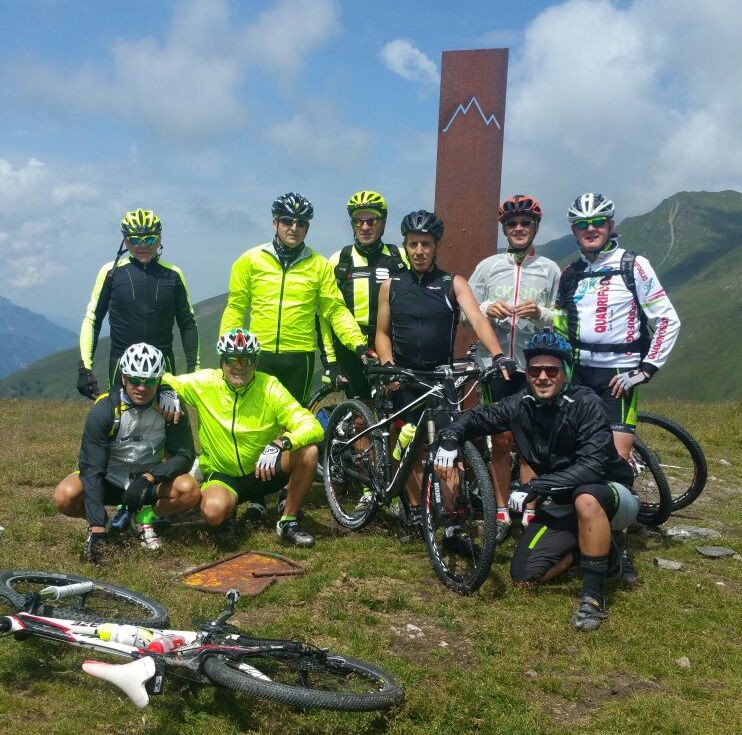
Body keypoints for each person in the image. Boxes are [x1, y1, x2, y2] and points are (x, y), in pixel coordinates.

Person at [435, 331, 640, 631]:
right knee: (525, 574)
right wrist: (451, 439)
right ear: (528, 373)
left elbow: (593, 467)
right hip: (561, 502)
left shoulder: (586, 403)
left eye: (551, 370)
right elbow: (479, 418)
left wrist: (534, 487)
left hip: (609, 495)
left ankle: (593, 598)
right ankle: (598, 549)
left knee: (586, 496)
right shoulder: (521, 404)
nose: (543, 377)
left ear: (565, 372)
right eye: (535, 370)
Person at [375, 209, 515, 533]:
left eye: (425, 243)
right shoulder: (391, 286)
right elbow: (381, 333)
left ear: (436, 245)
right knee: (406, 445)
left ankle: (453, 520)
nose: (419, 251)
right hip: (405, 377)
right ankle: (412, 509)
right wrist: (388, 367)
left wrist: (497, 356)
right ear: (405, 247)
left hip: (441, 378)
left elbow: (478, 319)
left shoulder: (453, 284)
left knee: (449, 450)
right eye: (413, 244)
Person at [161, 328, 323, 547]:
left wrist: (282, 442)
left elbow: (311, 424)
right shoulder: (205, 383)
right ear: (221, 362)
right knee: (212, 512)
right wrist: (166, 390)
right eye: (231, 359)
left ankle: (288, 521)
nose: (238, 366)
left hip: (263, 470)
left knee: (309, 452)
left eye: (245, 360)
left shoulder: (270, 387)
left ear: (255, 363)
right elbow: (166, 378)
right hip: (224, 475)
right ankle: (228, 511)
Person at [554, 193, 680, 463]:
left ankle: (621, 502)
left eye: (598, 221)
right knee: (574, 449)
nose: (590, 228)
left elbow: (667, 320)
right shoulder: (569, 273)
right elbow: (561, 323)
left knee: (617, 456)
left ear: (610, 226)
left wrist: (646, 370)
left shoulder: (633, 265)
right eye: (582, 223)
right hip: (578, 373)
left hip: (618, 374)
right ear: (573, 231)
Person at [468, 194, 561, 543]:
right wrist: (487, 307)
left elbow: (564, 319)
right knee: (502, 439)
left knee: (532, 441)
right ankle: (503, 509)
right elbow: (466, 312)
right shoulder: (488, 267)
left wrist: (541, 314)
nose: (519, 229)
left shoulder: (550, 270)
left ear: (535, 227)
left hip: (534, 368)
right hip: (494, 367)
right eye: (512, 224)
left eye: (525, 223)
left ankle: (531, 508)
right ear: (504, 228)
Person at [55, 343, 200, 565]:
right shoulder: (105, 410)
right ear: (123, 378)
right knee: (65, 495)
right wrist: (97, 526)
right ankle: (103, 524)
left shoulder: (171, 407)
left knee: (188, 490)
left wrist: (150, 476)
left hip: (146, 482)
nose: (142, 388)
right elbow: (91, 470)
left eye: (150, 381)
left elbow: (184, 455)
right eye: (134, 380)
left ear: (159, 380)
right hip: (109, 478)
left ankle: (145, 518)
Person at [219, 193, 368, 405]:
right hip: (259, 353)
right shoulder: (249, 260)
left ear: (307, 227)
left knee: (295, 426)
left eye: (301, 223)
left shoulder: (319, 265)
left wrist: (359, 344)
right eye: (287, 221)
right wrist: (227, 347)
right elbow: (235, 307)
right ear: (275, 223)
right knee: (254, 421)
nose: (294, 227)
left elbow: (334, 310)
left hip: (300, 358)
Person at [77, 208, 199, 399]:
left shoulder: (174, 274)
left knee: (170, 422)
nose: (142, 245)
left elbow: (187, 324)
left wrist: (194, 369)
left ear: (159, 239)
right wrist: (85, 368)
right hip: (121, 366)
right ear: (125, 240)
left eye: (149, 239)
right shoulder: (111, 272)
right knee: (119, 424)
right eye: (134, 240)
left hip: (163, 367)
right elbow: (93, 320)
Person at [317, 190, 408, 398]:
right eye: (358, 221)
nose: (365, 227)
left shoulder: (400, 257)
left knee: (397, 411)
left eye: (371, 220)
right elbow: (324, 316)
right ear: (352, 225)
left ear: (383, 222)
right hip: (350, 351)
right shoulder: (339, 260)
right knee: (360, 416)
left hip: (392, 345)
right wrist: (330, 362)